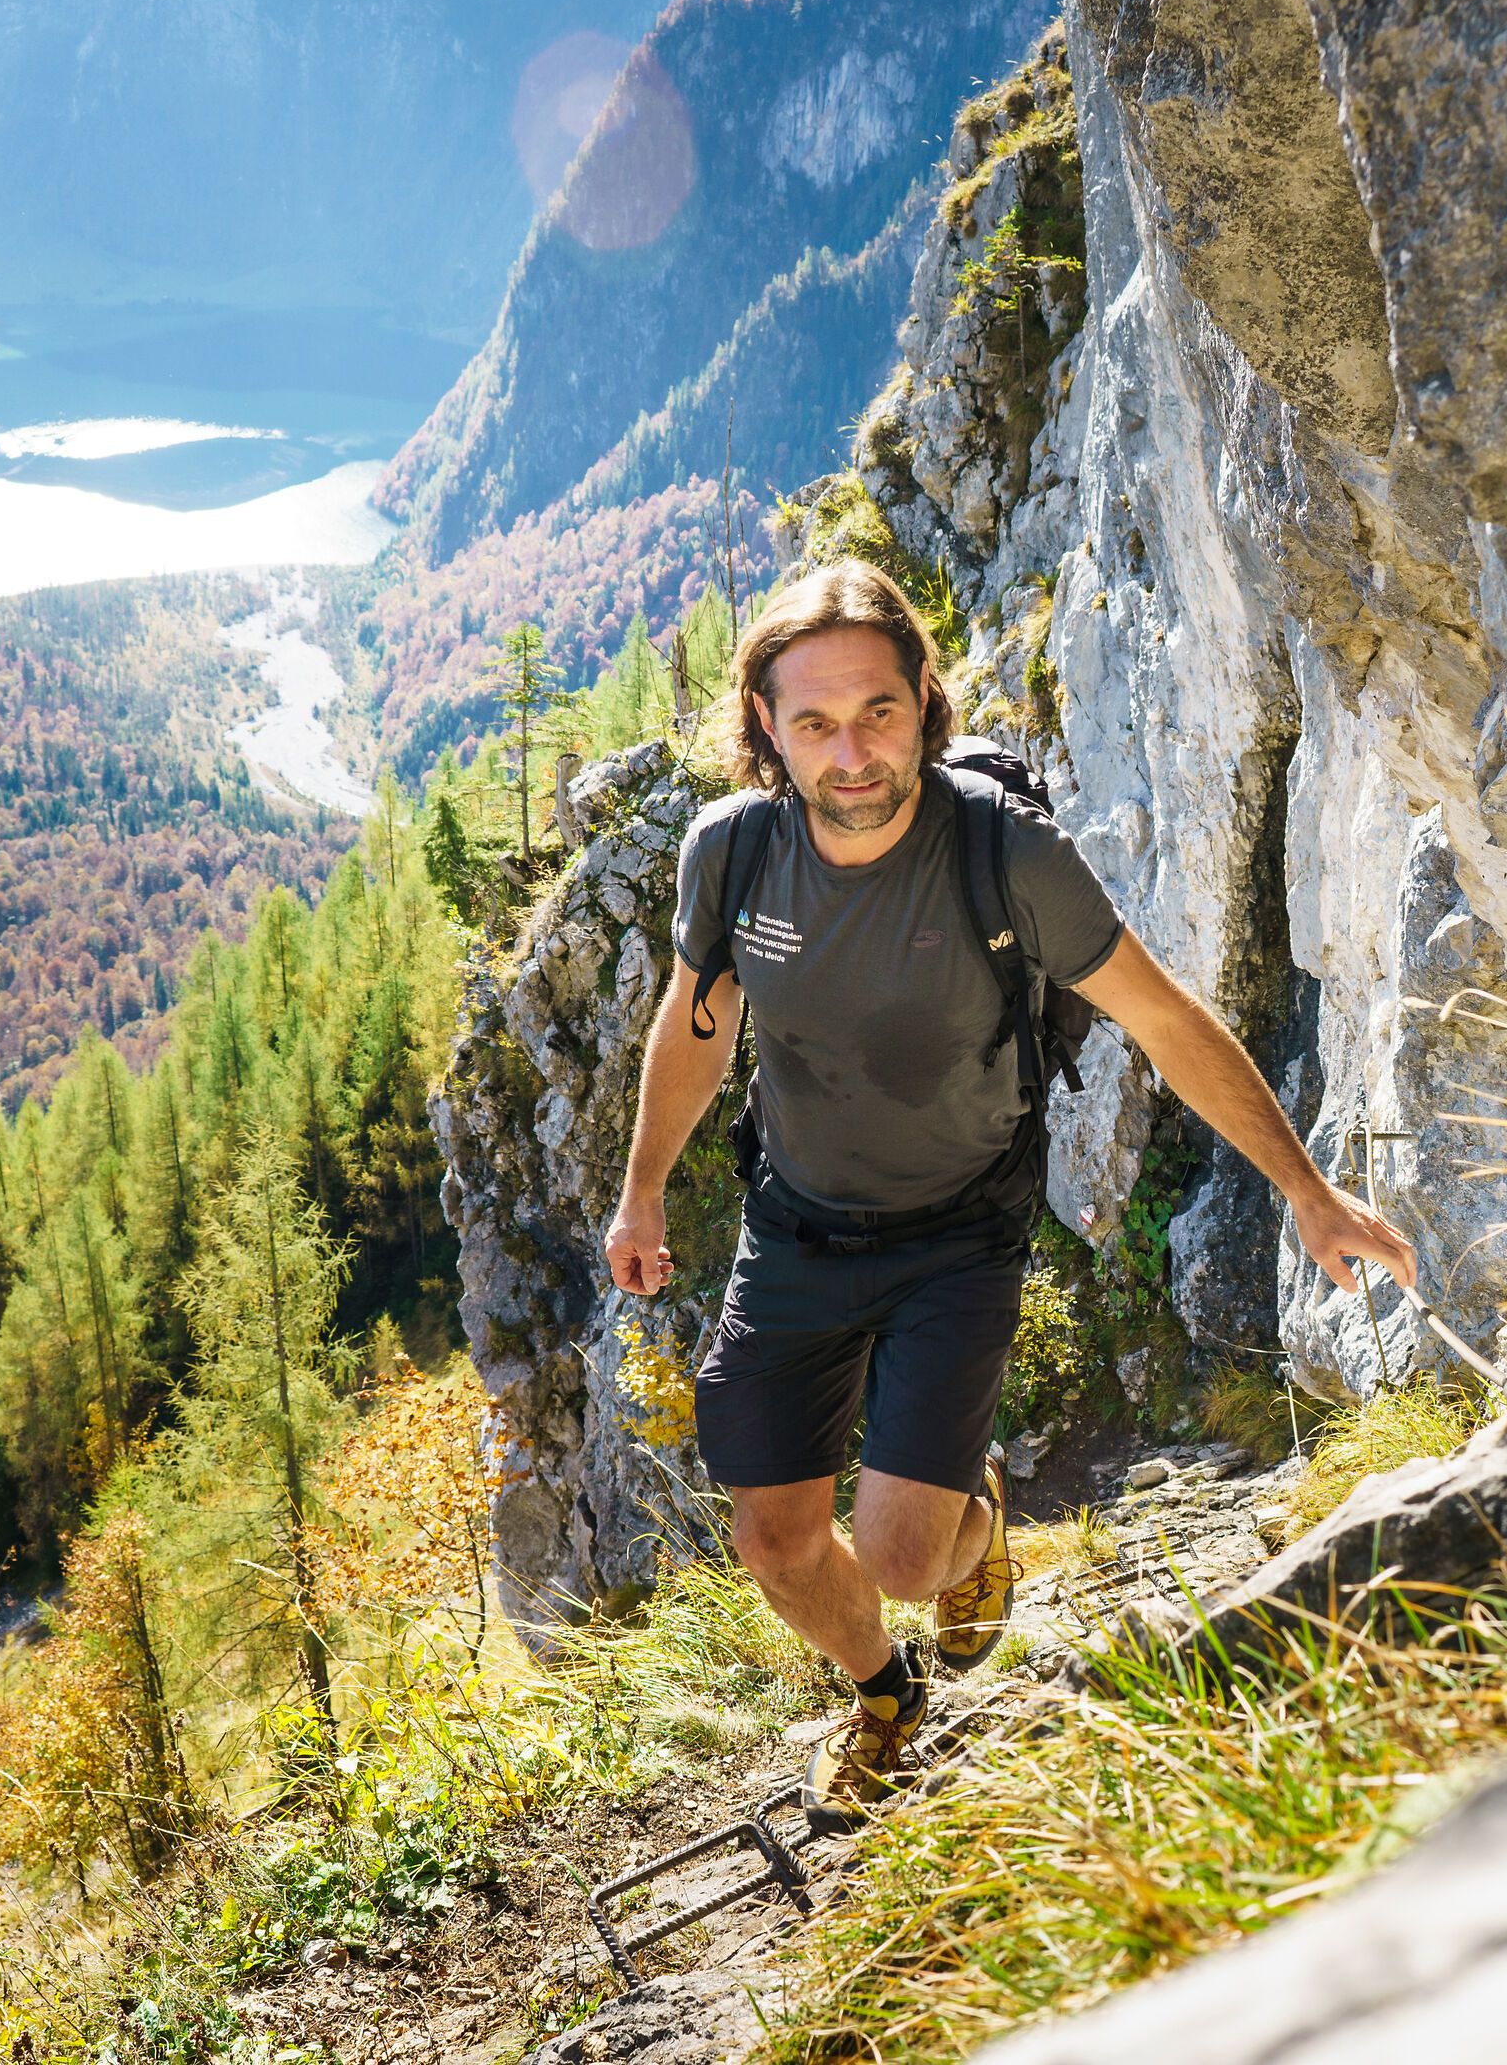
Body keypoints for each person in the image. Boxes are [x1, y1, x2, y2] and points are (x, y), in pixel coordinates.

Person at [606, 559, 1416, 1830]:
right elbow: (696, 1023)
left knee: (905, 1559)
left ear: (925, 699)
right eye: (814, 722)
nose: (852, 754)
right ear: (766, 724)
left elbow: (1164, 1020)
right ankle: (886, 1698)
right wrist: (643, 1190)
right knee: (772, 1540)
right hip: (796, 1223)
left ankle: (972, 1512)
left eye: (878, 711)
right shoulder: (733, 853)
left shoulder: (1004, 852)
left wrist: (1306, 1192)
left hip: (961, 1231)